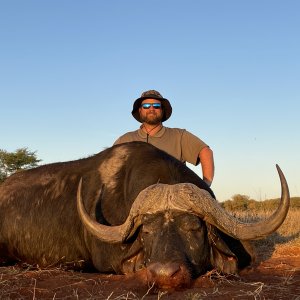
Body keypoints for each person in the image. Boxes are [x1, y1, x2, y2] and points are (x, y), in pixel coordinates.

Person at [113, 90, 215, 187]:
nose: (151, 109)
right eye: (146, 106)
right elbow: (110, 167)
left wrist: (205, 186)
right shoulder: (125, 140)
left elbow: (205, 151)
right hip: (134, 202)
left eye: (156, 106)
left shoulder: (179, 136)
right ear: (140, 110)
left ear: (162, 110)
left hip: (173, 202)